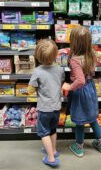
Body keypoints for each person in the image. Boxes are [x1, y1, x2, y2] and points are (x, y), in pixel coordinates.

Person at [62, 26, 101, 158]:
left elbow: (80, 80)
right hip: (91, 88)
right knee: (93, 118)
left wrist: (69, 87)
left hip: (80, 91)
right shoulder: (91, 54)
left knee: (80, 121)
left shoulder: (74, 60)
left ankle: (79, 146)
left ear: (74, 42)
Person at [28, 39, 64, 167]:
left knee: (44, 133)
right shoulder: (60, 69)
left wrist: (32, 90)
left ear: (37, 56)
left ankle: (51, 159)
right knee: (53, 130)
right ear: (55, 55)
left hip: (44, 108)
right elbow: (60, 82)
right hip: (56, 107)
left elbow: (31, 88)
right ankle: (53, 151)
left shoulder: (37, 71)